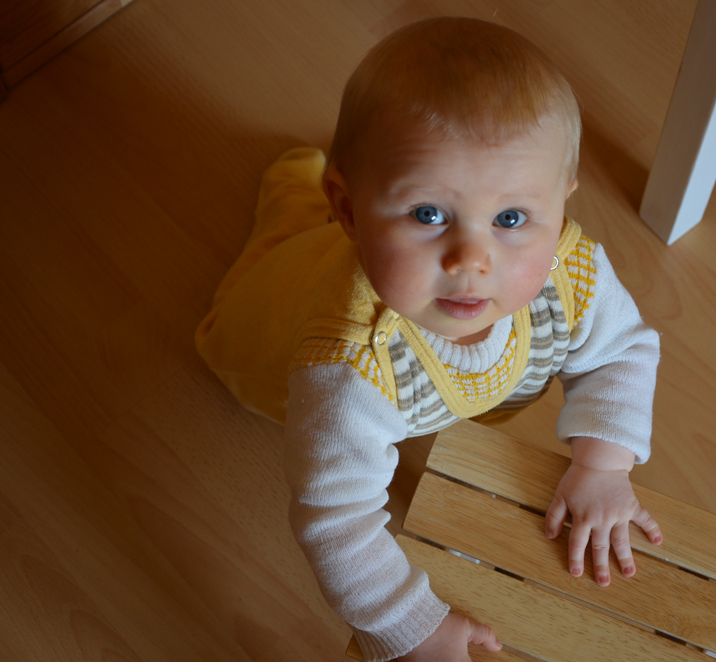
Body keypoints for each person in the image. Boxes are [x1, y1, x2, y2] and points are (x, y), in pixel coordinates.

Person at [195, 16, 663, 662]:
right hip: (268, 341)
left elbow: (621, 350)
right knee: (257, 289)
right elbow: (337, 519)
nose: (471, 259)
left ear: (560, 208)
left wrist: (605, 463)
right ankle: (293, 197)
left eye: (510, 218)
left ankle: (309, 192)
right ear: (351, 209)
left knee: (311, 233)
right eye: (428, 214)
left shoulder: (571, 270)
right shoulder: (346, 369)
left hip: (360, 287)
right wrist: (410, 629)